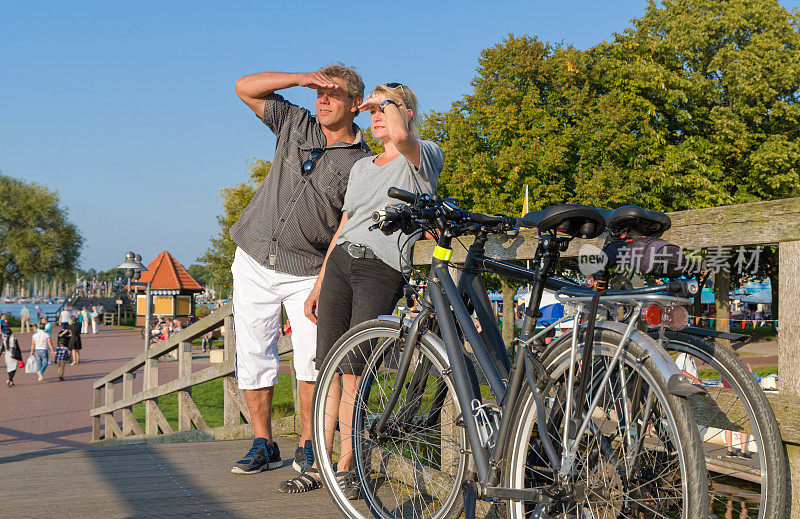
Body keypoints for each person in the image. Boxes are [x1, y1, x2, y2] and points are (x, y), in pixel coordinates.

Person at [280, 82, 443, 495]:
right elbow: (346, 223)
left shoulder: (422, 157)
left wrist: (386, 103)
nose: (374, 116)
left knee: (354, 369)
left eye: (383, 109)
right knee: (327, 367)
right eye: (370, 110)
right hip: (340, 263)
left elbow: (403, 137)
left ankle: (349, 465)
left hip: (381, 267)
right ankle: (319, 465)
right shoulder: (360, 167)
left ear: (404, 112)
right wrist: (318, 283)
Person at [228, 63, 372, 476]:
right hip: (254, 257)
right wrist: (299, 78)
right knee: (255, 355)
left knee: (312, 360)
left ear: (355, 105)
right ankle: (263, 442)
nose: (322, 100)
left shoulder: (362, 164)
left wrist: (323, 281)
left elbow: (345, 228)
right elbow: (244, 86)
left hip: (308, 270)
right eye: (319, 92)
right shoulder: (296, 123)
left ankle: (308, 443)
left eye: (333, 93)